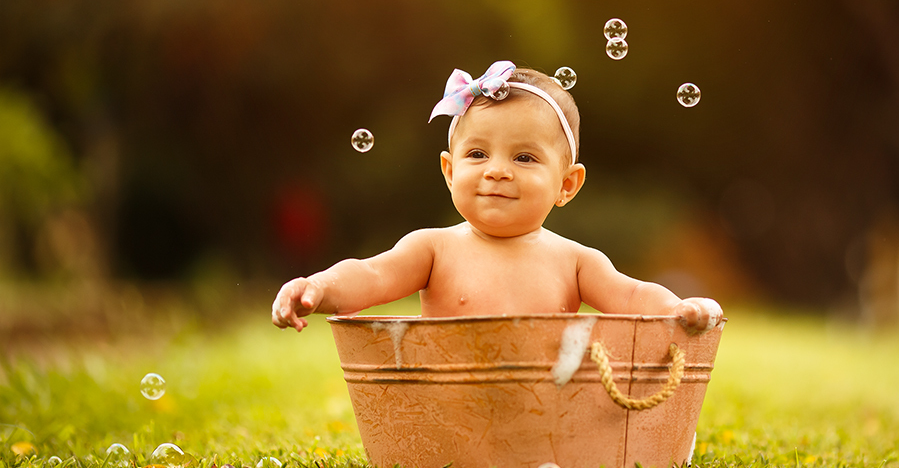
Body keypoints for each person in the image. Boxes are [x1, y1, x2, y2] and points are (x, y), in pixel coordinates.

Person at [271, 60, 724, 332]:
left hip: (544, 415)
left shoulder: (576, 261)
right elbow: (369, 277)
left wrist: (678, 308)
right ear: (449, 171)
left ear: (566, 184)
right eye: (477, 153)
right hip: (454, 411)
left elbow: (631, 296)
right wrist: (318, 287)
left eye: (524, 158)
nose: (497, 171)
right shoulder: (433, 249)